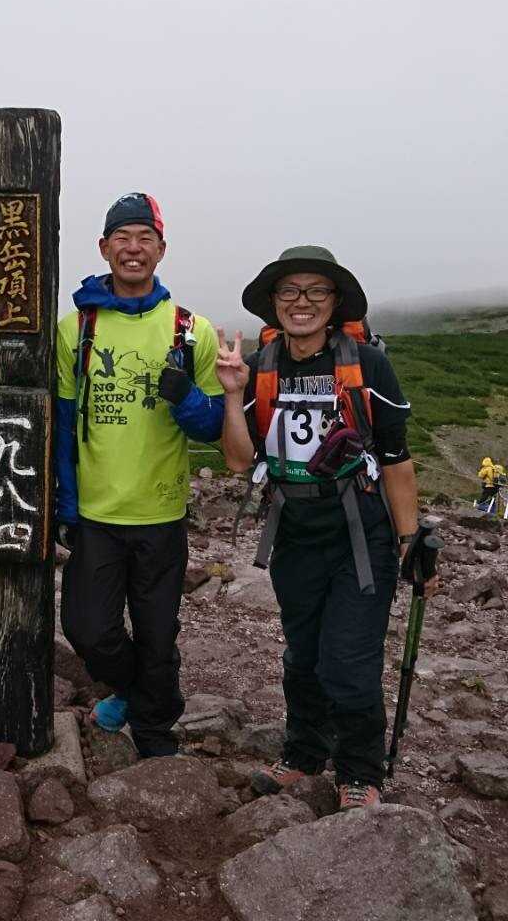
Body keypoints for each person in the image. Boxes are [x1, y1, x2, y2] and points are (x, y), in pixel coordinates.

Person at [216, 244, 436, 810]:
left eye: (317, 291)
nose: (302, 302)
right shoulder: (260, 368)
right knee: (302, 654)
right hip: (293, 533)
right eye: (290, 291)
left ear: (335, 302)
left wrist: (410, 540)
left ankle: (360, 771)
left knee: (348, 660)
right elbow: (238, 461)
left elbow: (396, 457)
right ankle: (304, 752)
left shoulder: (366, 365)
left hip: (360, 534)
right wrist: (234, 393)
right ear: (274, 302)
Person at [55, 193, 225, 757]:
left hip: (161, 512)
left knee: (157, 634)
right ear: (104, 248)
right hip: (96, 513)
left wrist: (187, 401)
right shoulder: (76, 328)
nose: (134, 248)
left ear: (161, 249)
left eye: (145, 238)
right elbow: (63, 424)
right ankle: (134, 690)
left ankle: (154, 733)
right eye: (122, 238)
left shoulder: (190, 330)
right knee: (88, 630)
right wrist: (66, 503)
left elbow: (214, 426)